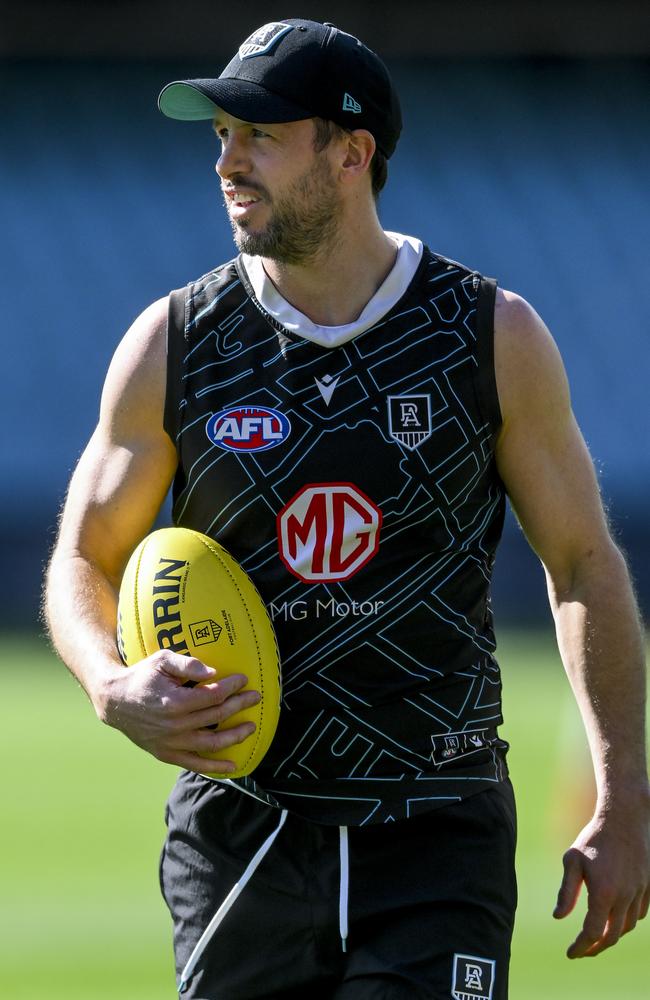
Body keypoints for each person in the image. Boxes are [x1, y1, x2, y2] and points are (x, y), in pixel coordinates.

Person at [45, 17, 649, 1000]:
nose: (228, 161)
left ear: (351, 152)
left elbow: (583, 564)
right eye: (220, 136)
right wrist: (110, 684)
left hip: (435, 825)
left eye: (259, 134)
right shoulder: (173, 341)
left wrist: (623, 794)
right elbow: (82, 557)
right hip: (243, 827)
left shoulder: (488, 335)